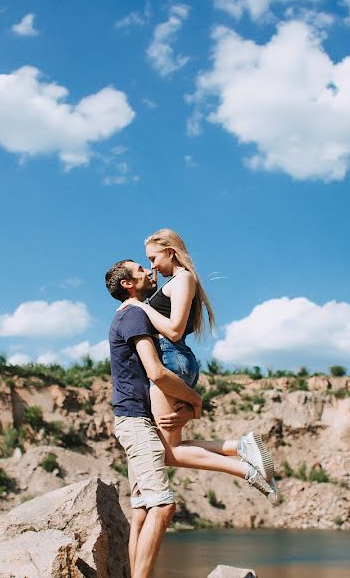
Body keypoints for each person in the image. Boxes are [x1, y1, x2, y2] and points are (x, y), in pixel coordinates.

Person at [106, 259, 277, 578]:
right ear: (128, 284)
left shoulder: (129, 313)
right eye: (141, 269)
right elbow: (156, 371)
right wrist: (194, 398)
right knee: (163, 506)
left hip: (132, 416)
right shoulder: (133, 314)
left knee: (142, 511)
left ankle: (239, 453)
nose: (149, 271)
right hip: (136, 419)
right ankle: (240, 457)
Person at [119, 229, 276, 493]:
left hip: (171, 360)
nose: (152, 266)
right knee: (173, 446)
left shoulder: (183, 279)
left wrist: (140, 306)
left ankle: (246, 468)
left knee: (169, 453)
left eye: (153, 258)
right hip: (177, 359)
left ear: (170, 251)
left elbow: (174, 329)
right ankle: (240, 447)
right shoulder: (177, 282)